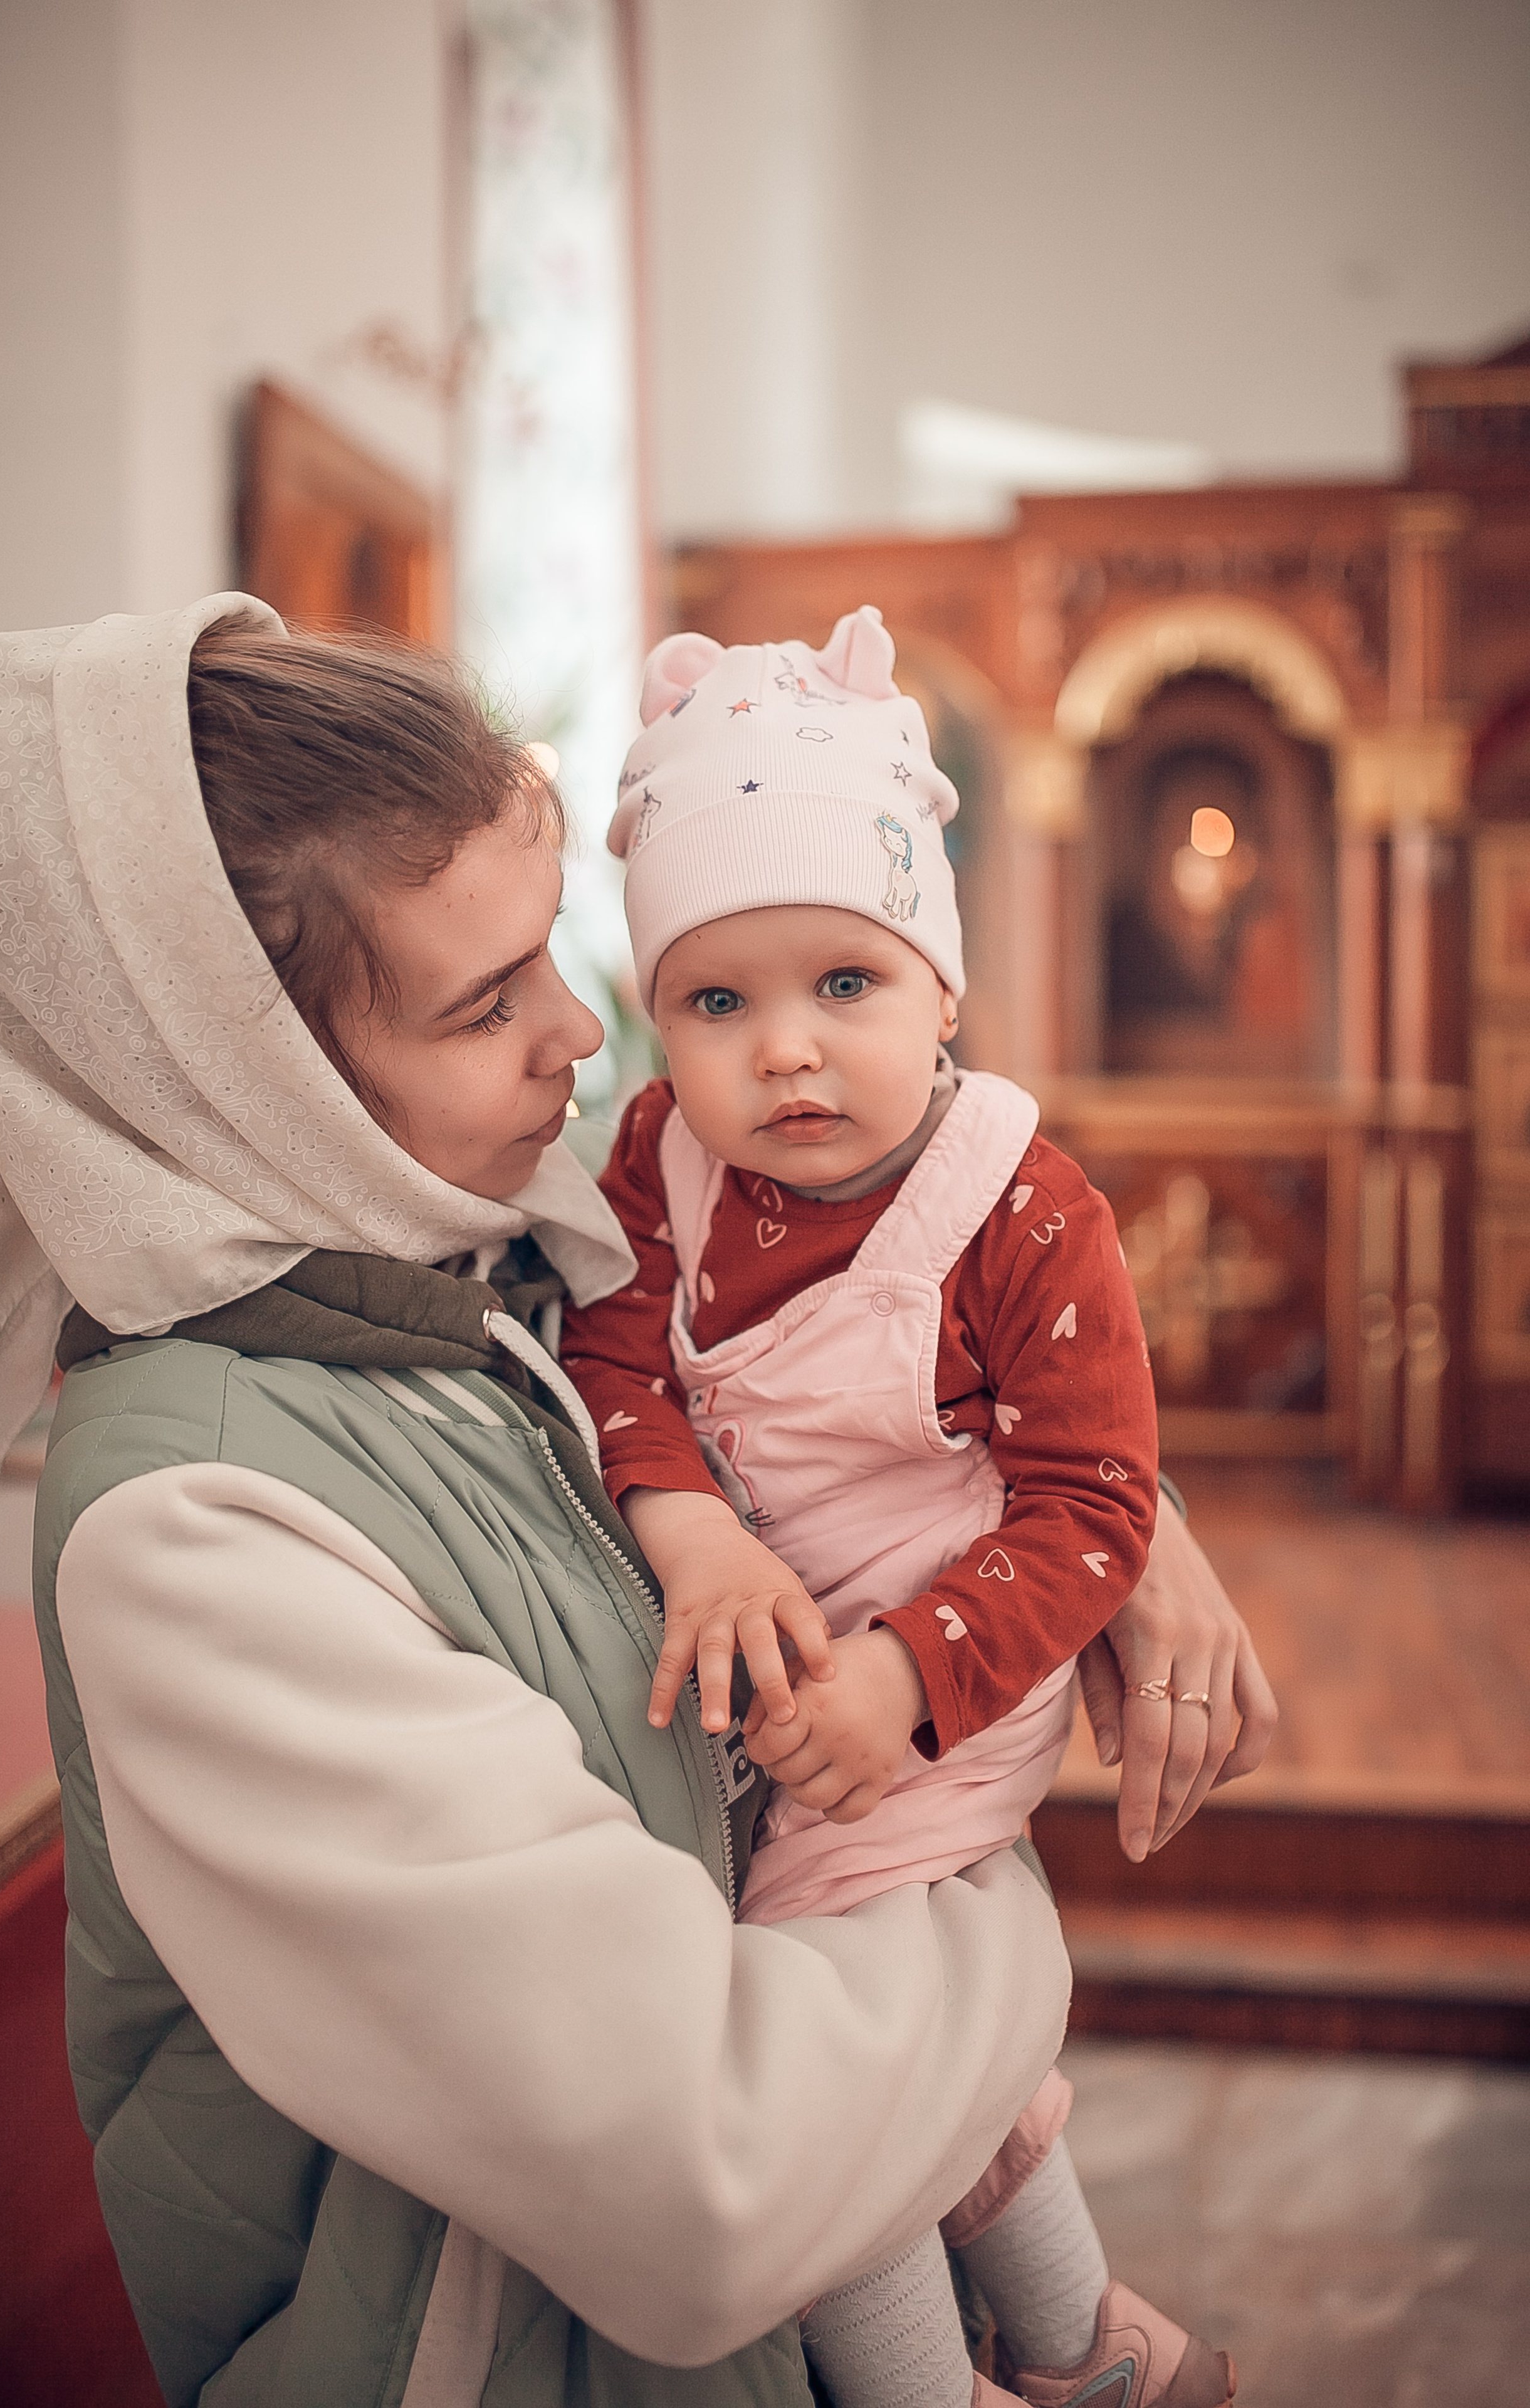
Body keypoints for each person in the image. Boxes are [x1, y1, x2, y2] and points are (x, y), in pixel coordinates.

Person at [0, 597, 1276, 2408]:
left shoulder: (488, 1255)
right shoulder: (197, 1534)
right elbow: (722, 2170)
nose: (584, 1033)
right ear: (234, 1080)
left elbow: (853, 1390)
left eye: (556, 956)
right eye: (487, 1002)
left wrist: (1133, 1528)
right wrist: (993, 1884)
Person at [562, 607, 1233, 2408]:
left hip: (948, 1670)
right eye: (720, 1000)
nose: (784, 1052)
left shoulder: (1018, 1210)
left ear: (944, 985)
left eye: (843, 985)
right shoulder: (658, 1158)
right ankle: (1086, 2344)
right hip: (784, 1657)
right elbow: (615, 1357)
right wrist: (689, 1526)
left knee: (811, 2062)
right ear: (657, 1019)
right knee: (910, 2050)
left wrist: (905, 1676)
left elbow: (1097, 1500)